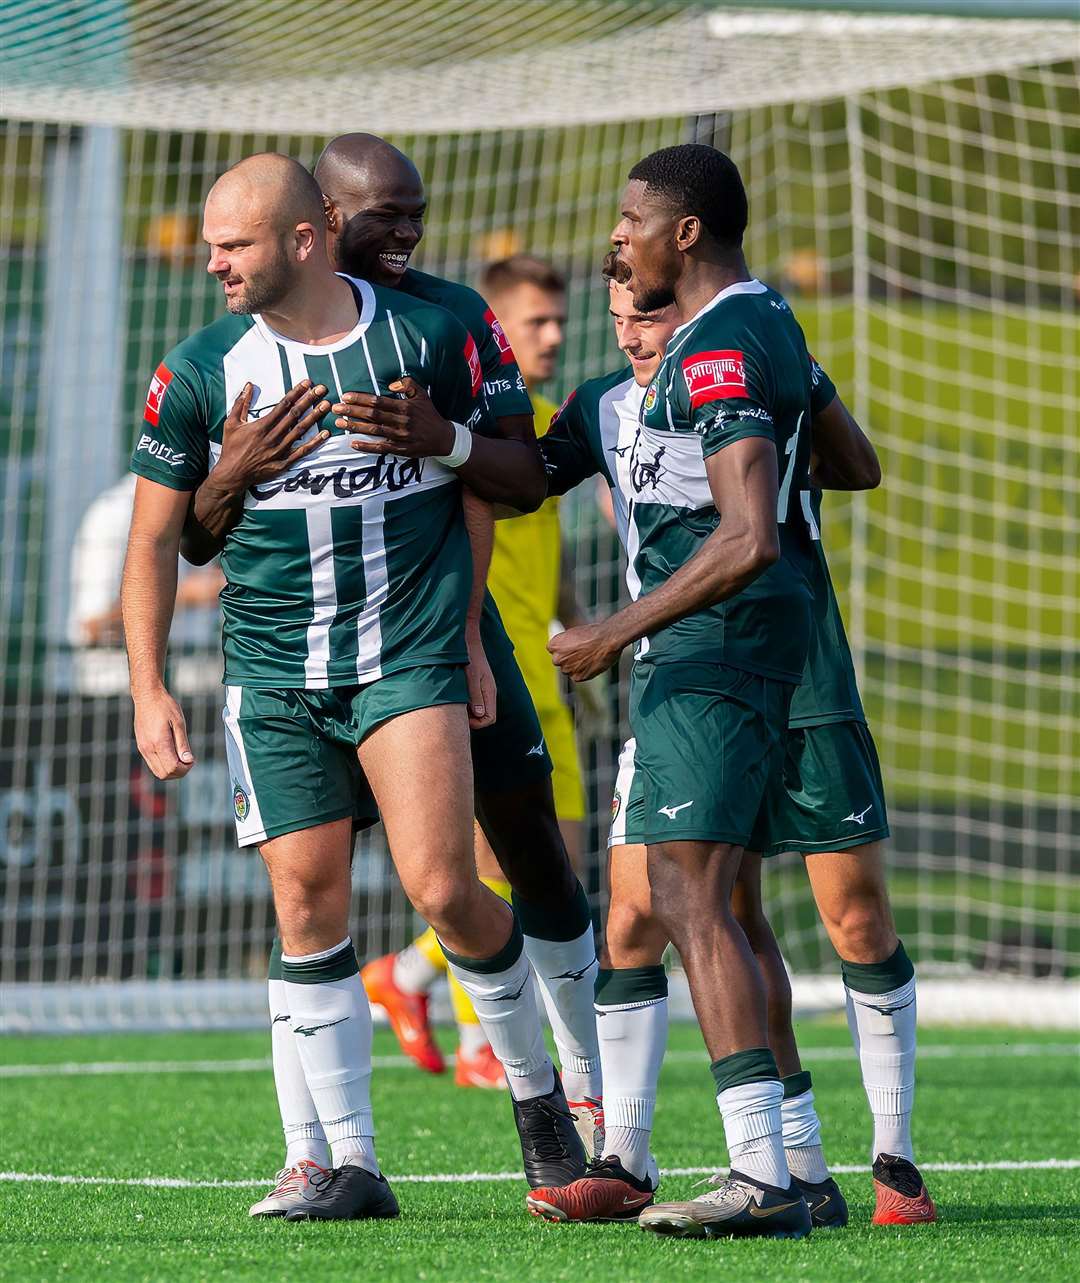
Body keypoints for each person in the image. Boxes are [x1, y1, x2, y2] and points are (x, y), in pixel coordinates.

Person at [123, 152, 584, 1223]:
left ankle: (543, 1108)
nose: (211, 265)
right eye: (209, 244)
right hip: (273, 671)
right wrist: (150, 688)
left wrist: (466, 622)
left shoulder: (426, 334)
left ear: (301, 239)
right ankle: (336, 1161)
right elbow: (159, 540)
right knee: (304, 902)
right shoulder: (199, 367)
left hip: (407, 655)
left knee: (441, 885)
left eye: (231, 246)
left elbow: (493, 482)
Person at [527, 254, 934, 1229]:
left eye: (650, 310)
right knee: (648, 909)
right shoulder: (602, 407)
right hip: (689, 683)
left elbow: (858, 465)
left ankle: (895, 1161)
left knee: (853, 916)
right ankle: (638, 1155)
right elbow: (520, 472)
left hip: (800, 671)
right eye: (617, 314)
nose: (631, 329)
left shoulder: (747, 360)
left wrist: (790, 422)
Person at [537, 142, 825, 1240]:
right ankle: (754, 1158)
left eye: (632, 219)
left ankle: (762, 1172)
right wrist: (455, 438)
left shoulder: (718, 346)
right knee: (700, 898)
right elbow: (844, 456)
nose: (619, 239)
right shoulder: (765, 325)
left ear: (686, 231)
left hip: (710, 648)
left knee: (691, 898)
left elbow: (749, 534)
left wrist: (611, 628)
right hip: (733, 647)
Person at [369, 253, 594, 1094]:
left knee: (554, 875)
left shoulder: (542, 429)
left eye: (559, 320)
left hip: (549, 671)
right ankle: (480, 1042)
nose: (553, 335)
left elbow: (547, 549)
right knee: (483, 870)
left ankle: (409, 975)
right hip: (477, 666)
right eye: (534, 321)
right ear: (494, 329)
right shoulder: (467, 425)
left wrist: (578, 627)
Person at [68, 472, 223, 696]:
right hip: (118, 693)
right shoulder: (114, 512)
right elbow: (92, 627)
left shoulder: (193, 505)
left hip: (191, 691)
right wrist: (186, 595)